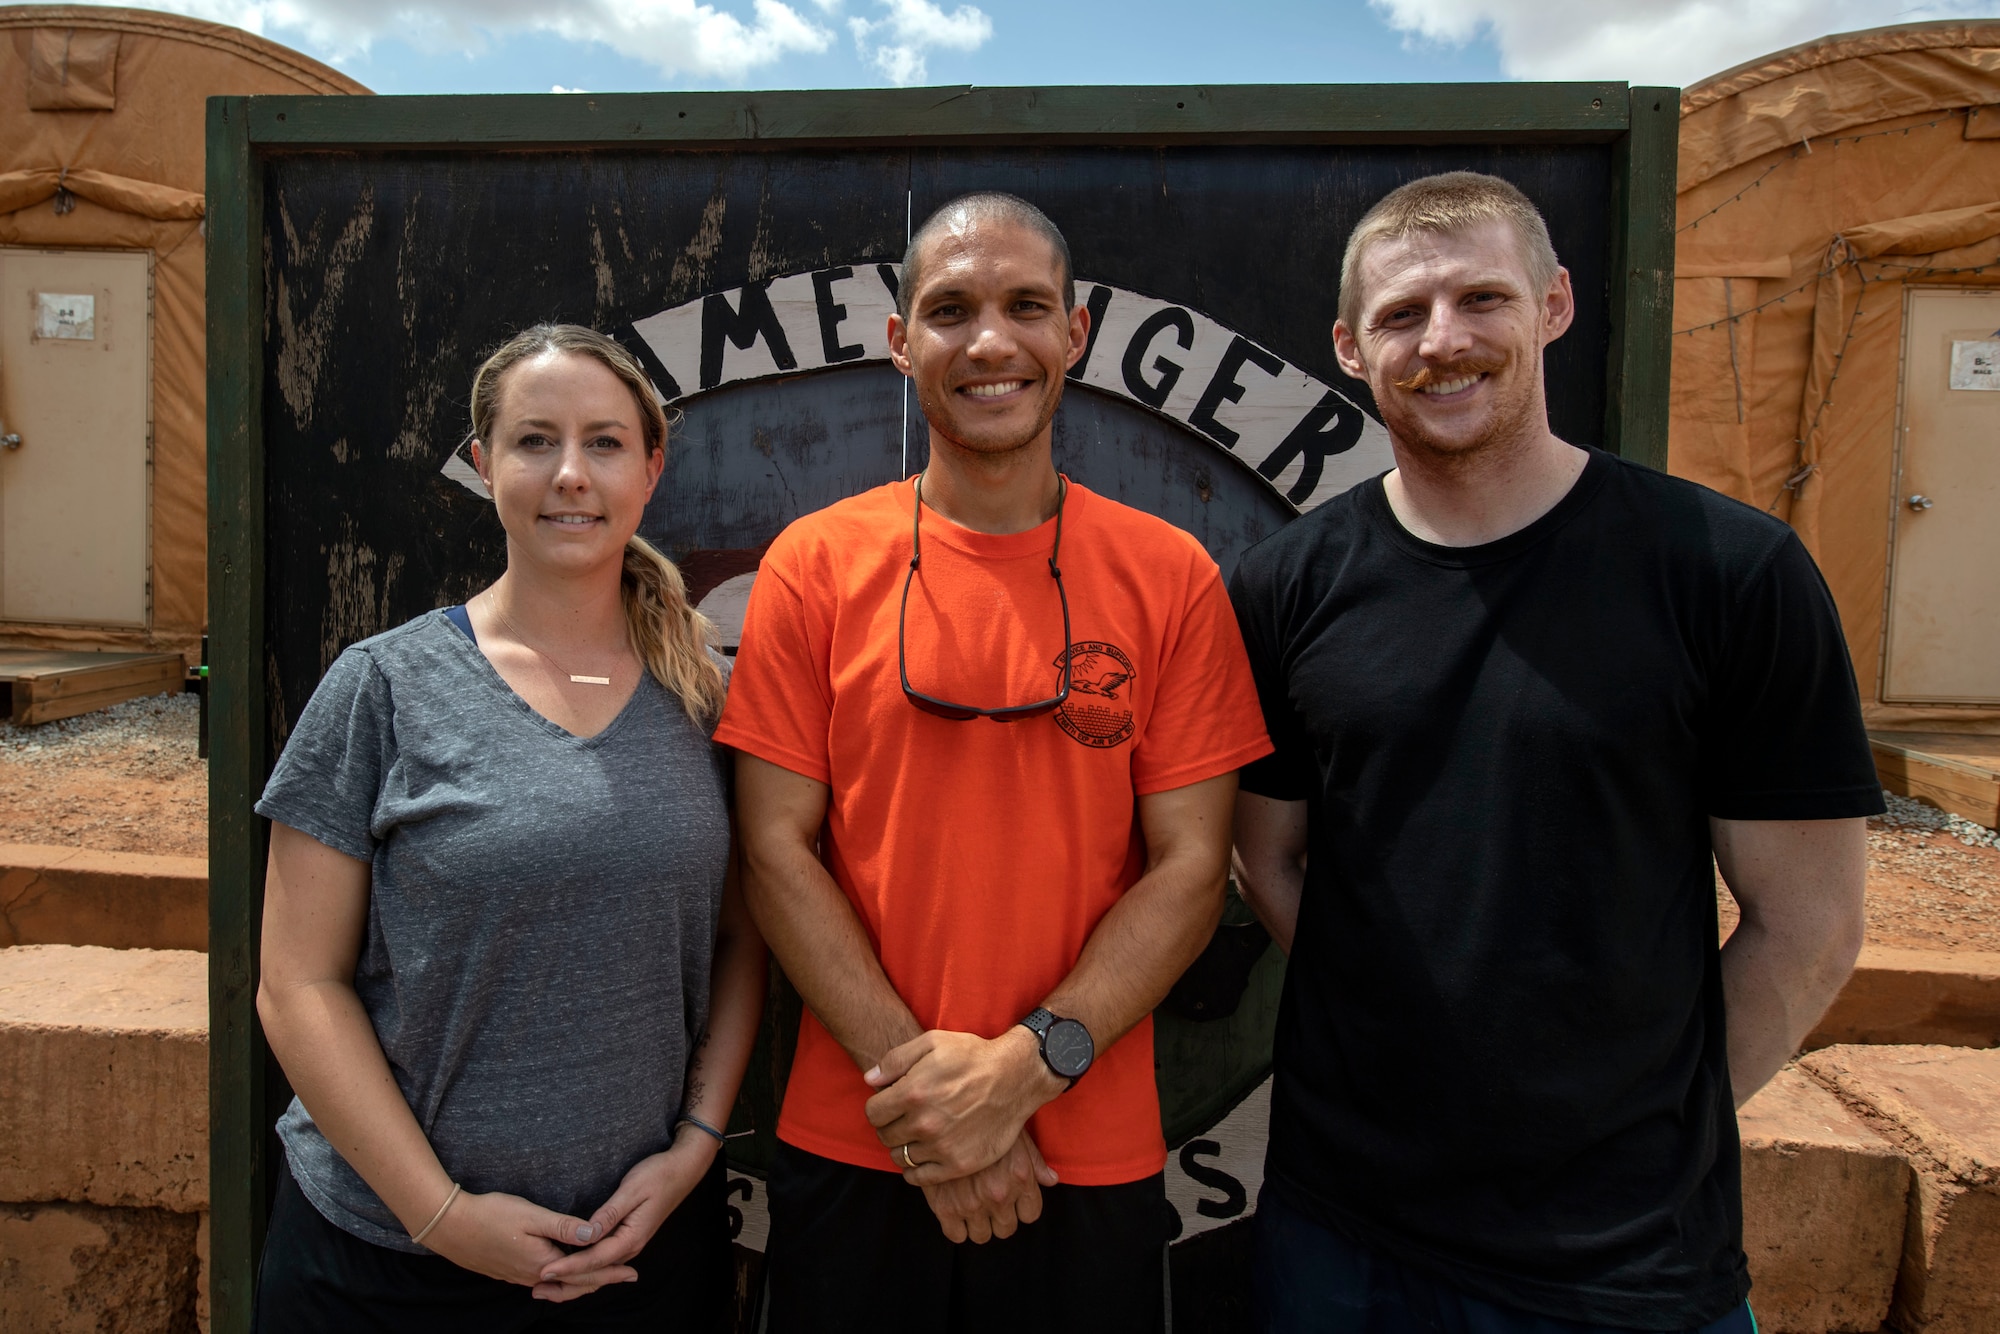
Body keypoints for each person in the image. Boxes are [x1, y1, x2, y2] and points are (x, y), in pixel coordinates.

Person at [1228, 170, 1882, 1334]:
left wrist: (1642, 1126)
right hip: (1342, 1237)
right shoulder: (1287, 586)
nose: (1442, 341)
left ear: (1554, 304)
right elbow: (1269, 859)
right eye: (1399, 315)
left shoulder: (1727, 572)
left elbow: (1810, 926)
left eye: (1481, 298)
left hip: (1625, 1261)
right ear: (1344, 344)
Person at [717, 192, 1273, 1332]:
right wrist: (934, 1110)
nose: (988, 341)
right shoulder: (812, 565)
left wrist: (1024, 1070)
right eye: (949, 308)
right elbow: (774, 848)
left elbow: (1189, 864)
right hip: (858, 1137)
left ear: (1071, 335)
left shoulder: (1169, 575)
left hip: (1088, 1150)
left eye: (1025, 305)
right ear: (899, 342)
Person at [252, 324, 764, 1332]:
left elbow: (745, 937)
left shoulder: (706, 697)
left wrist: (695, 1146)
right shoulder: (384, 685)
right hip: (383, 1263)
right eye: (535, 441)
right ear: (485, 465)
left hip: (638, 1254)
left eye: (605, 442)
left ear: (650, 468)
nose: (570, 473)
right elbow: (295, 982)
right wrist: (438, 1212)